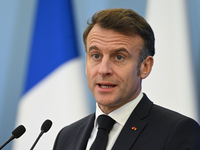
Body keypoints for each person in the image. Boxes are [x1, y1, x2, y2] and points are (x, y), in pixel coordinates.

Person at [53, 8, 200, 150]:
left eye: (119, 57)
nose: (104, 70)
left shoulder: (176, 132)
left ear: (145, 67)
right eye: (96, 56)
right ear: (86, 63)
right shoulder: (66, 136)